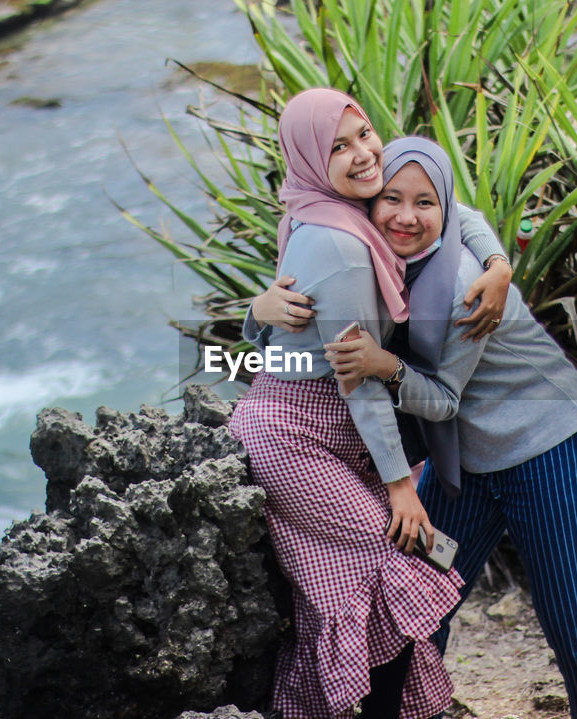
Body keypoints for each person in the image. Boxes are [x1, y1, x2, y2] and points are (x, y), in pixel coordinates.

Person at [319, 137, 577, 719]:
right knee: (418, 595)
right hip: (470, 458)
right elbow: (468, 213)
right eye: (392, 199)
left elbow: (438, 401)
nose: (406, 217)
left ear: (443, 207)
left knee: (574, 624)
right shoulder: (375, 242)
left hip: (543, 443)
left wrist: (386, 367)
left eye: (424, 204)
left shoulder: (462, 287)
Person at [227, 89, 509, 719]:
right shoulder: (343, 244)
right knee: (401, 556)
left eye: (364, 135)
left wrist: (497, 260)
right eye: (338, 146)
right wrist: (399, 487)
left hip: (323, 431)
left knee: (364, 580)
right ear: (306, 158)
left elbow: (452, 211)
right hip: (294, 437)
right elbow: (357, 380)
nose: (363, 155)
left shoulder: (319, 211)